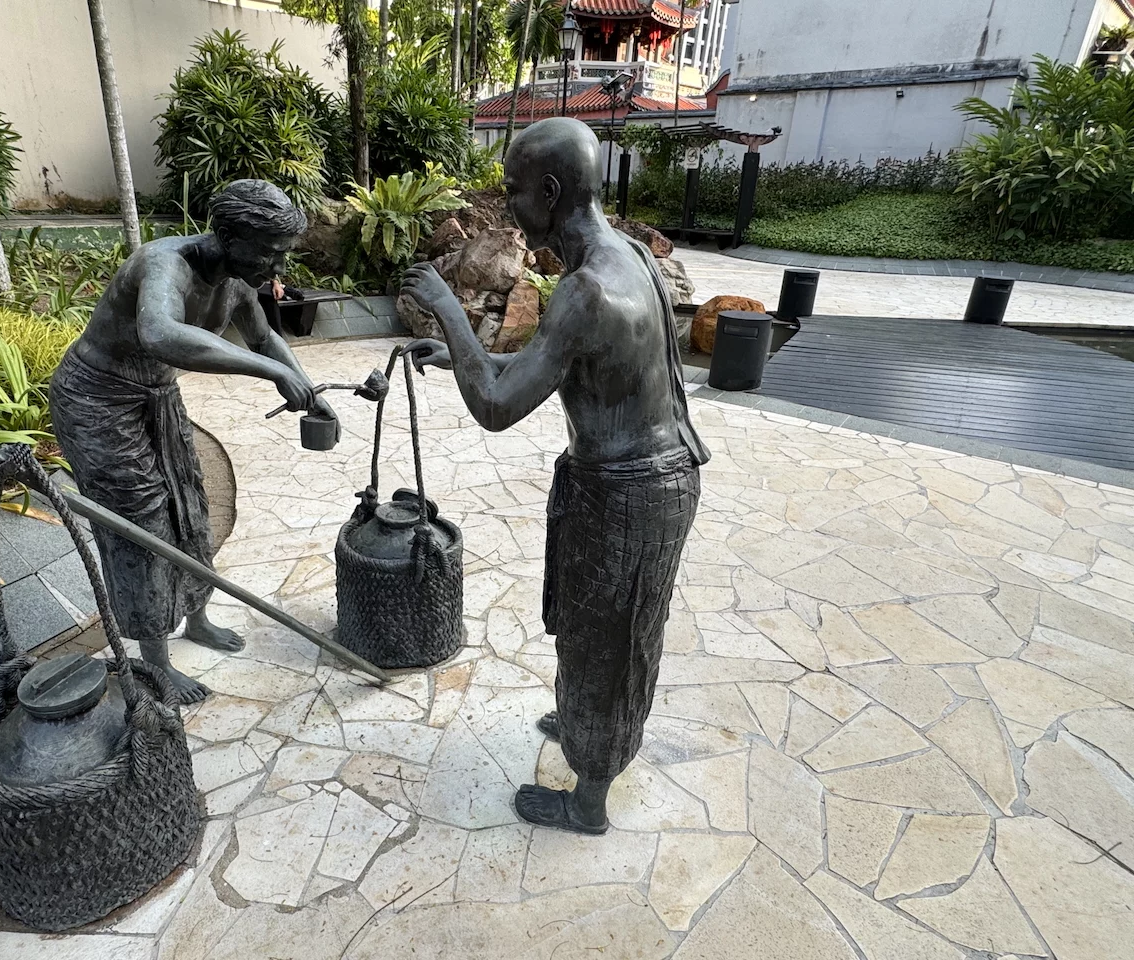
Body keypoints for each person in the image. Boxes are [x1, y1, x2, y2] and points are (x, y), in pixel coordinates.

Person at [401, 118, 709, 834]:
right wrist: (470, 356)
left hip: (632, 491)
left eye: (513, 191)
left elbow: (496, 408)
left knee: (609, 642)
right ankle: (579, 720)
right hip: (639, 480)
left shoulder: (586, 289)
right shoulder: (628, 254)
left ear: (548, 191)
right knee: (587, 625)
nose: (507, 205)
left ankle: (588, 798)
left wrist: (448, 312)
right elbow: (564, 361)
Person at [49, 180, 337, 704]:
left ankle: (196, 618)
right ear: (227, 237)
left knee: (189, 503)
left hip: (156, 395)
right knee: (143, 523)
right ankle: (155, 662)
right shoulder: (164, 264)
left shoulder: (238, 280)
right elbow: (161, 333)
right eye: (269, 253)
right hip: (97, 401)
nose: (278, 268)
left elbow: (263, 337)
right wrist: (271, 373)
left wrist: (308, 389)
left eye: (283, 254)